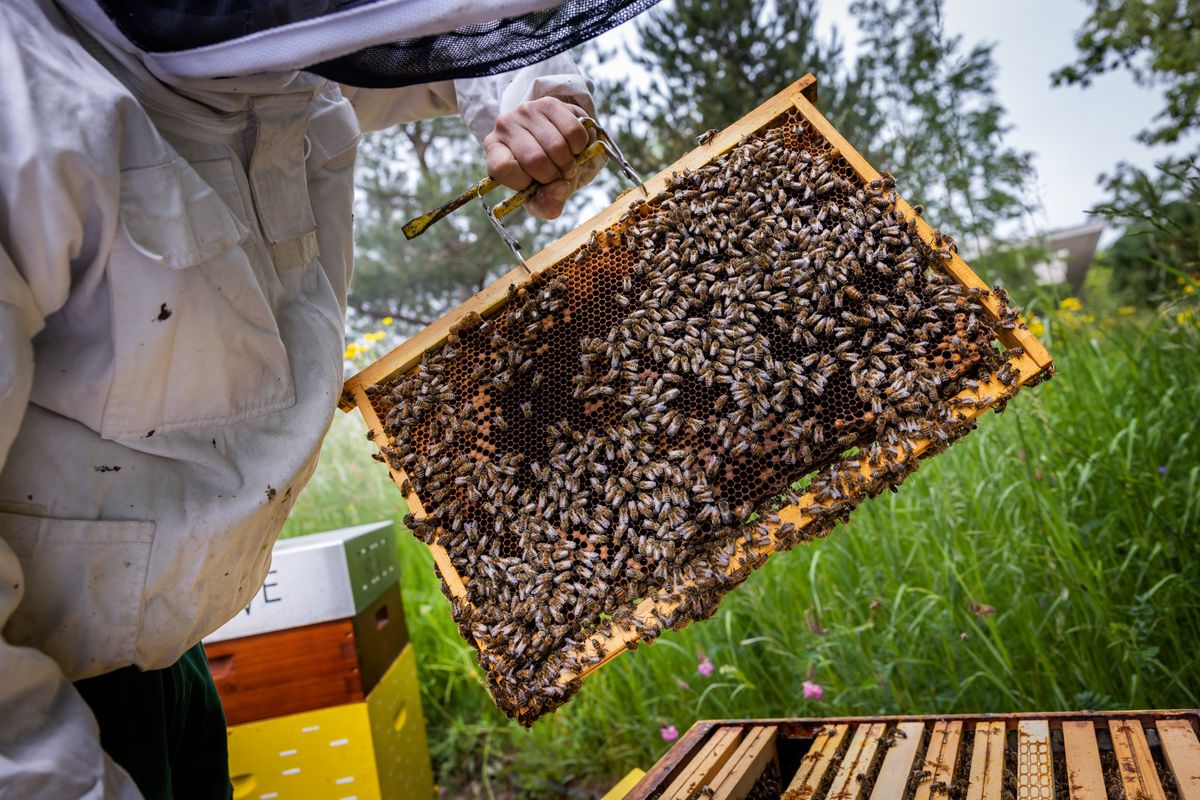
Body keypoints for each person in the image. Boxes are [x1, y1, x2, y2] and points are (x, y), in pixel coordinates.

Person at [0, 0, 657, 796]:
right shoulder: (23, 104)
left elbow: (447, 39)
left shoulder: (281, 50)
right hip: (36, 708)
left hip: (170, 655)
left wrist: (537, 103)